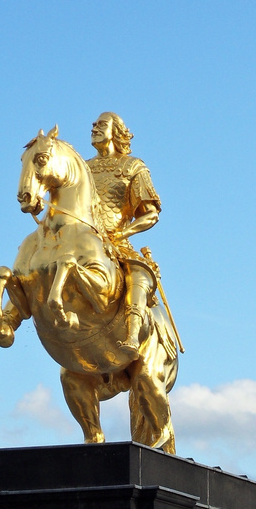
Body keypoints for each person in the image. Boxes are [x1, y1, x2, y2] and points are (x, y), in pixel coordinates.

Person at [86, 112, 162, 362]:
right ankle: (3, 329)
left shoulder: (132, 167)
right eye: (94, 124)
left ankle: (131, 335)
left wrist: (123, 233)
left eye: (101, 124)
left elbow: (150, 214)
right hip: (84, 242)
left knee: (138, 276)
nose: (94, 127)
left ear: (116, 132)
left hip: (117, 243)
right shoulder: (82, 168)